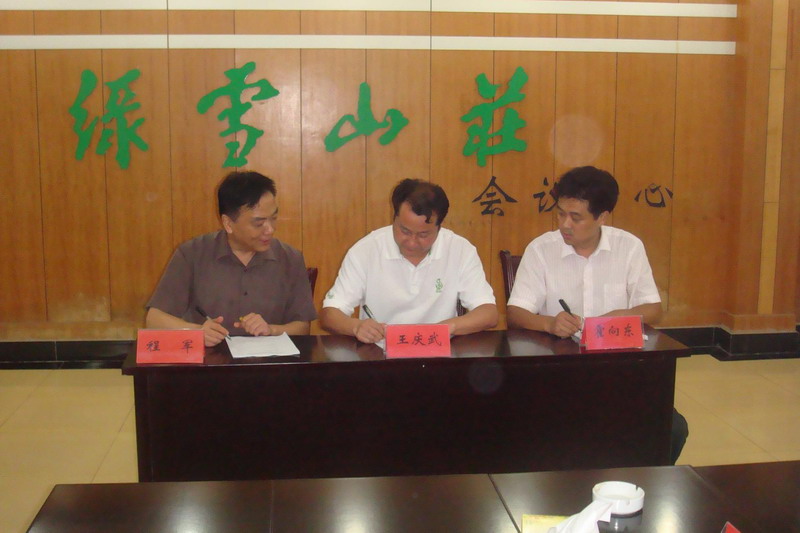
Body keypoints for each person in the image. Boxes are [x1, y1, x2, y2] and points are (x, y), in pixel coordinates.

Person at [506, 165, 687, 464]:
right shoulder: (541, 249)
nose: (565, 224)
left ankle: (634, 482)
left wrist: (623, 315)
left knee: (673, 428)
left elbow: (653, 310)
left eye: (575, 217)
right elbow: (515, 313)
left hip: (617, 370)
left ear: (602, 217)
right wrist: (549, 323)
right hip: (557, 372)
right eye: (560, 214)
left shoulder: (629, 247)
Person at [146, 171, 316, 347]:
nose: (270, 229)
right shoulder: (192, 254)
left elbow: (303, 327)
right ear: (228, 224)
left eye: (273, 218)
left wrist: (272, 330)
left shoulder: (290, 259)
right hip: (207, 360)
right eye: (259, 223)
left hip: (269, 361)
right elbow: (154, 319)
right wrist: (196, 331)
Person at [320, 178, 498, 343]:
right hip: (379, 352)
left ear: (439, 227)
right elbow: (330, 313)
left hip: (439, 350)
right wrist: (356, 326)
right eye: (404, 231)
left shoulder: (460, 249)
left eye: (423, 234)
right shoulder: (365, 250)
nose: (412, 242)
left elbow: (488, 313)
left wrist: (447, 328)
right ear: (394, 218)